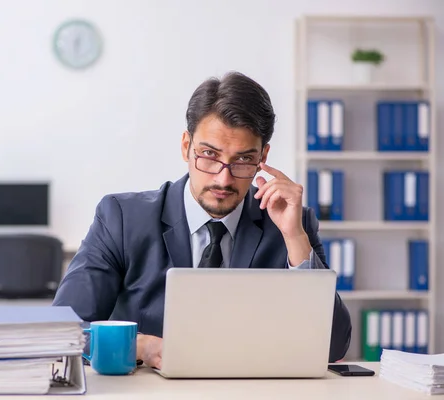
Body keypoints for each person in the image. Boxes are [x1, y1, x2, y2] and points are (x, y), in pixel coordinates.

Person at [52, 71, 352, 368]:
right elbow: (61, 334)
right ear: (186, 147)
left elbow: (332, 347)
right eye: (209, 154)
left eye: (244, 160)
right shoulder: (121, 218)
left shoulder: (290, 224)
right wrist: (140, 345)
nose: (223, 178)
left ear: (263, 157)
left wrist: (295, 238)